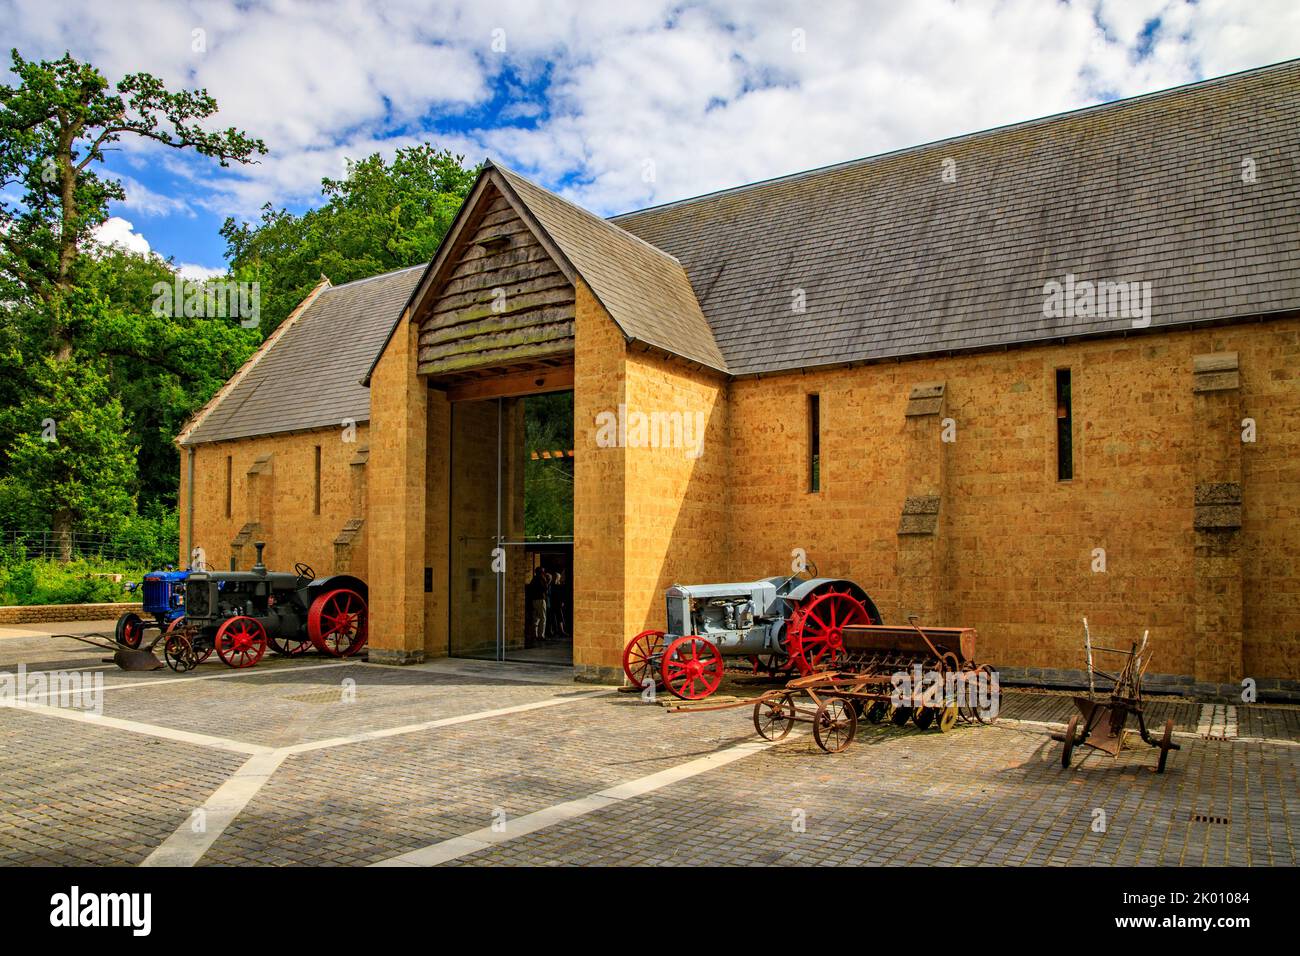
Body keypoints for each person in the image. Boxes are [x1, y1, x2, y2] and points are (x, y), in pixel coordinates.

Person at [525, 568, 547, 645]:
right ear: (541, 572)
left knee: (536, 618)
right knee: (543, 618)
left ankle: (535, 634)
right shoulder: (541, 579)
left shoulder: (533, 580)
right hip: (540, 599)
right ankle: (541, 635)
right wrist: (546, 581)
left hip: (534, 600)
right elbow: (545, 589)